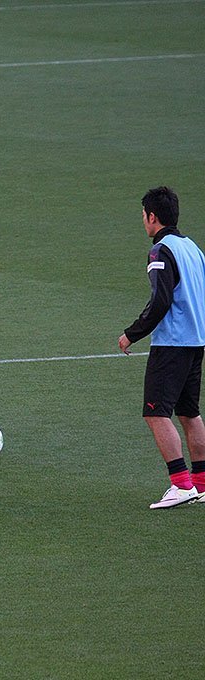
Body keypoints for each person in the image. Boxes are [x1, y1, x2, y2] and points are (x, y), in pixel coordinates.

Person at [119, 186, 205, 509]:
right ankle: (201, 483)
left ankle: (181, 484)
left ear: (152, 217)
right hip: (196, 342)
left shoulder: (161, 251)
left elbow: (160, 301)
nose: (143, 221)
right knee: (189, 413)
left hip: (172, 344)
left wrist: (132, 334)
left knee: (155, 413)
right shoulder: (193, 249)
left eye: (143, 215)